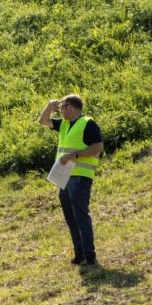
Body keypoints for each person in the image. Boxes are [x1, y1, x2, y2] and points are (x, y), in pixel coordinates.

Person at [38, 94, 104, 266]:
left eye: (63, 106)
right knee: (70, 217)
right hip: (65, 177)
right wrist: (49, 106)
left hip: (80, 177)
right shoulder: (64, 125)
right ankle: (79, 254)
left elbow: (98, 147)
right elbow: (43, 121)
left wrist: (73, 155)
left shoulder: (88, 123)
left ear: (72, 106)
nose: (60, 110)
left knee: (80, 215)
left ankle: (89, 256)